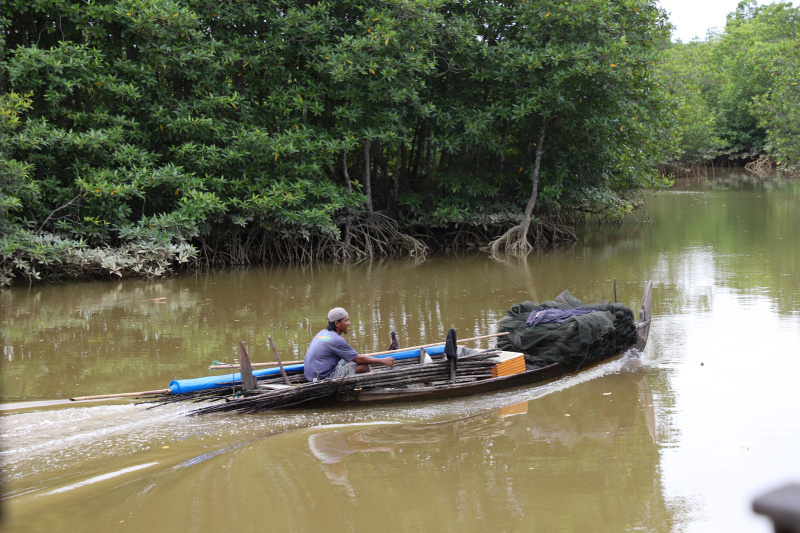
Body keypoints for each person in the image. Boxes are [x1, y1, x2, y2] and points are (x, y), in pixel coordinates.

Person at [303, 307, 395, 381]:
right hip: (322, 376)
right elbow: (359, 360)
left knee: (350, 358)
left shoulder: (322, 333)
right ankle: (368, 387)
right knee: (363, 366)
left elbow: (354, 357)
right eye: (346, 321)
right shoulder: (337, 340)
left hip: (311, 373)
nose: (349, 323)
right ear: (337, 324)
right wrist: (383, 361)